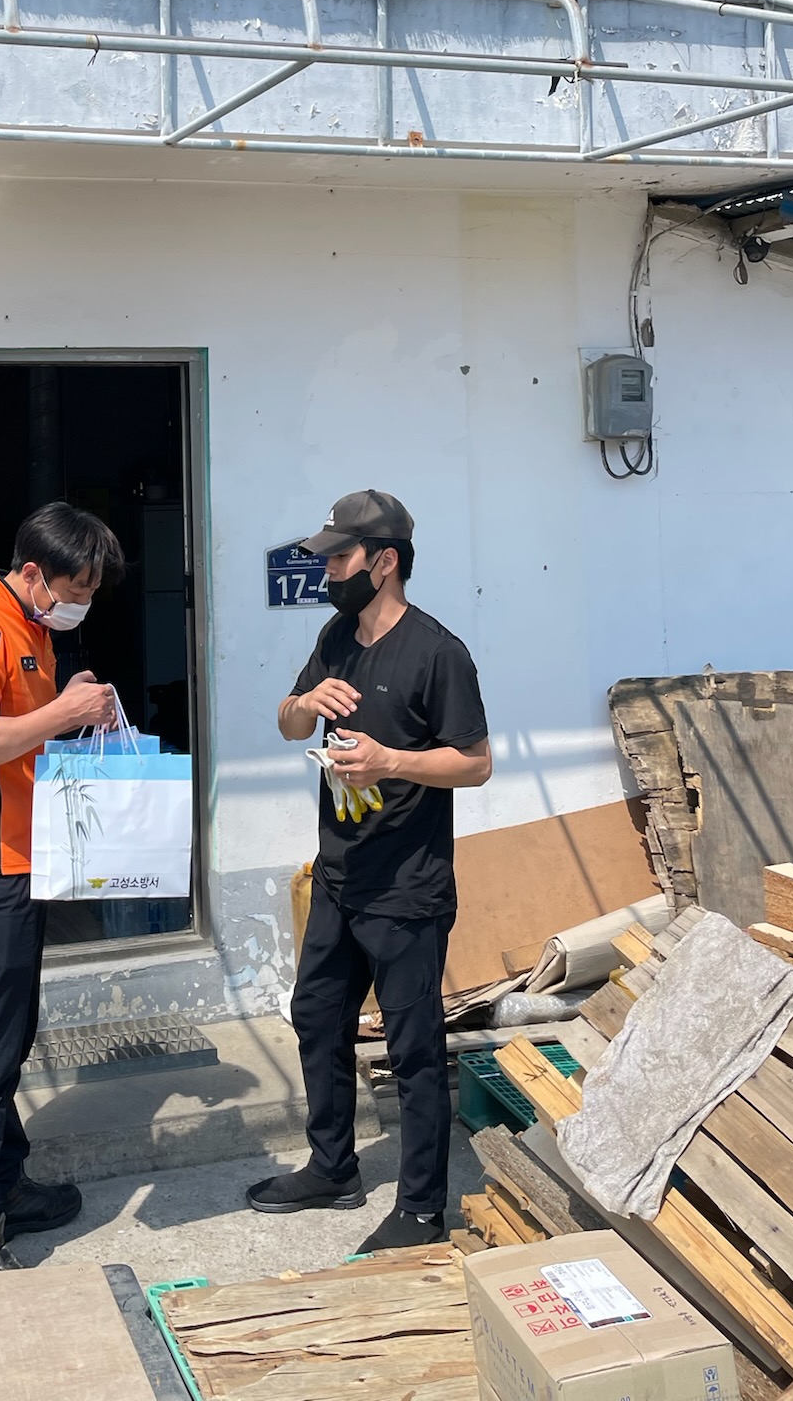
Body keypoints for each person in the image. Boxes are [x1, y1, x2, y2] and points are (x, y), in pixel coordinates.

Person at [248, 490, 491, 1249]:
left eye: (340, 557)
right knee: (317, 1017)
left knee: (414, 1050)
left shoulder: (438, 653)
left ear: (384, 562)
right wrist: (304, 702)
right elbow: (288, 723)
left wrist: (391, 761)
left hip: (407, 885)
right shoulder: (336, 637)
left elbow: (476, 763)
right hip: (339, 875)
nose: (328, 571)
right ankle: (332, 1168)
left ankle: (420, 1210)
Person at [0, 499, 124, 1277]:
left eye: (92, 594)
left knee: (5, 1040)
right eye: (76, 590)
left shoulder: (32, 627)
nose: (82, 605)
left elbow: (23, 733)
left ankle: (7, 1186)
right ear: (34, 573)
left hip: (18, 862)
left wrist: (76, 712)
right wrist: (65, 710)